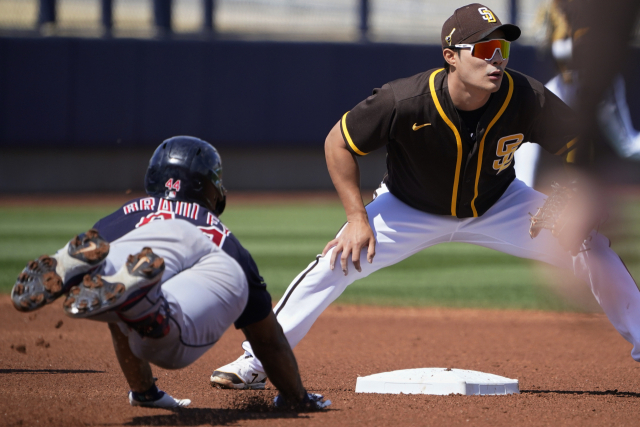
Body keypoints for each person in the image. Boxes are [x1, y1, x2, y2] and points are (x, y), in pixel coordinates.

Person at [209, 3, 640, 390]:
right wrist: (358, 219)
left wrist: (566, 195)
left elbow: (577, 141)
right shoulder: (405, 100)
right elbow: (337, 143)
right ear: (451, 56)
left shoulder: (523, 96)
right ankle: (255, 362)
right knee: (335, 262)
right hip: (407, 209)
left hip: (500, 205)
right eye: (484, 49)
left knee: (592, 249)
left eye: (502, 49)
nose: (497, 59)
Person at [11, 136, 330, 410]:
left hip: (124, 246)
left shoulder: (123, 214)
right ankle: (148, 306)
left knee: (113, 288)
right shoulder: (220, 234)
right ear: (210, 186)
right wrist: (295, 397)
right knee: (220, 287)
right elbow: (268, 341)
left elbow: (112, 304)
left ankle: (76, 270)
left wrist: (145, 392)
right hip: (186, 280)